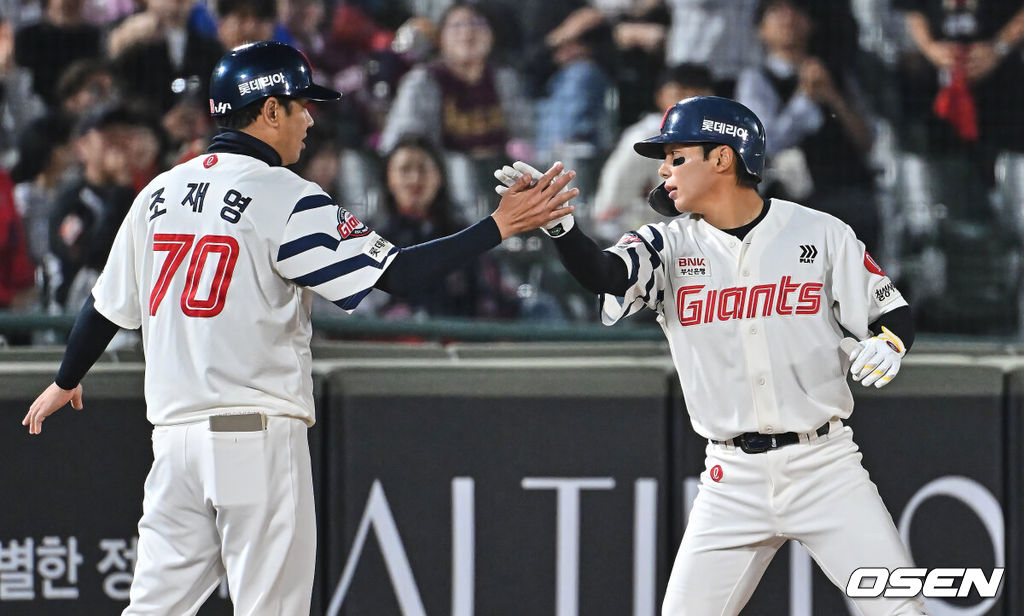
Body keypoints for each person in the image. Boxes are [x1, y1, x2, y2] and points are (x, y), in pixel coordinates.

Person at [21, 40, 575, 615]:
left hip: (174, 442)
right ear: (268, 111)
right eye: (300, 104)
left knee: (153, 610)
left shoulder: (157, 193)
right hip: (249, 435)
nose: (309, 118)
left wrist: (67, 377)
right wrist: (499, 225)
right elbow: (402, 276)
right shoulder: (285, 196)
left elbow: (105, 306)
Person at [495, 96, 926, 615]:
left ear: (722, 158)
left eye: (677, 157)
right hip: (731, 479)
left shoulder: (819, 232)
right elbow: (606, 275)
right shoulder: (666, 244)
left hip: (827, 467)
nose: (663, 170)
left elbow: (892, 313)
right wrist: (563, 230)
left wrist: (888, 343)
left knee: (903, 610)